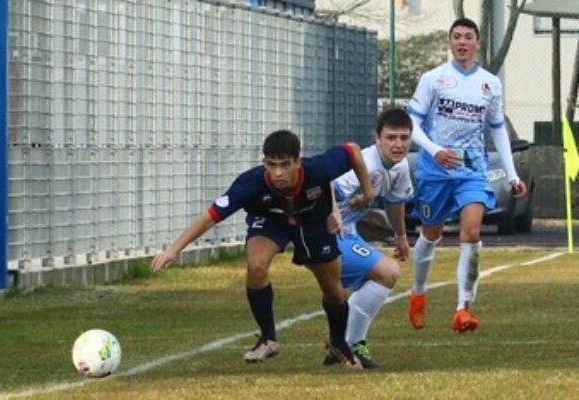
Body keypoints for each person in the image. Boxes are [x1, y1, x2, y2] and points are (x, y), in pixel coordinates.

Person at [151, 129, 374, 369]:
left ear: (297, 162)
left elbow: (352, 150)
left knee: (334, 291)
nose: (277, 172)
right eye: (271, 164)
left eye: (285, 164)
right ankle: (268, 339)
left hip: (313, 223)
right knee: (255, 266)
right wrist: (173, 250)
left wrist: (367, 192)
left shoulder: (318, 168)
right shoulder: (250, 183)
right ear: (263, 162)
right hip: (270, 220)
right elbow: (210, 217)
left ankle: (338, 342)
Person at [406, 18, 527, 333]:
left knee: (471, 234)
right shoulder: (433, 79)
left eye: (468, 37)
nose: (462, 42)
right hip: (435, 169)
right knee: (430, 235)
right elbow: (412, 124)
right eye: (456, 37)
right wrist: (434, 151)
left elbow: (497, 129)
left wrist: (512, 174)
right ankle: (418, 293)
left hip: (472, 170)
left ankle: (462, 308)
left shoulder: (490, 83)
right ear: (450, 43)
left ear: (477, 44)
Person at [322, 107, 414, 369]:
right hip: (327, 235)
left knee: (378, 280)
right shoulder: (366, 163)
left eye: (404, 138)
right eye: (391, 137)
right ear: (377, 138)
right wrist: (335, 215)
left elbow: (395, 202)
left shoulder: (401, 166)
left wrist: (401, 236)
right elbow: (326, 186)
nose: (398, 144)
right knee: (387, 272)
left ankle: (339, 341)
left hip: (347, 235)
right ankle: (350, 343)